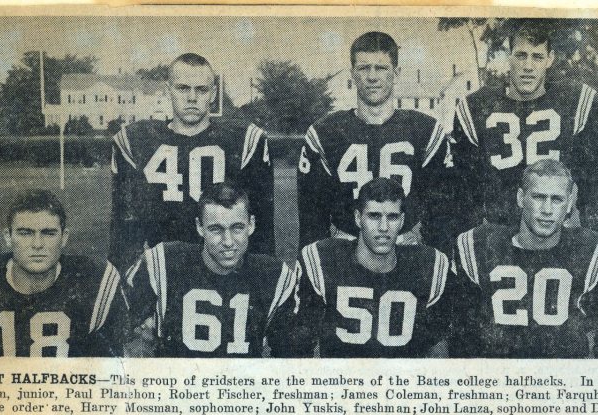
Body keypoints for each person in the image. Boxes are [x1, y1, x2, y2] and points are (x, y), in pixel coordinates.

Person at [449, 160, 598, 358]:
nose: (547, 209)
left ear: (569, 203)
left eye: (556, 199)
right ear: (521, 198)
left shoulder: (594, 250)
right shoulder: (477, 245)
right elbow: (455, 335)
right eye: (538, 197)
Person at [110, 52, 275, 274]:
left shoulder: (244, 140)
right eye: (183, 88)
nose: (192, 97)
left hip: (224, 273)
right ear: (168, 91)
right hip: (162, 271)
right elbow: (124, 233)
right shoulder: (137, 141)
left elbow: (261, 231)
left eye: (201, 89)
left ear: (213, 93)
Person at [297, 31, 452, 252]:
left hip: (406, 255)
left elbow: (443, 216)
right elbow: (311, 222)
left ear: (396, 73)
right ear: (352, 74)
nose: (372, 76)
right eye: (363, 68)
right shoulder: (325, 132)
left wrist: (422, 247)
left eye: (381, 68)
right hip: (345, 256)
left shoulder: (425, 131)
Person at [451, 22, 598, 236]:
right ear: (509, 56)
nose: (528, 66)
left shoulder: (576, 101)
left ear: (549, 59)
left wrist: (595, 239)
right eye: (521, 55)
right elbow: (464, 196)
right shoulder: (476, 107)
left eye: (537, 57)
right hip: (499, 236)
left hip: (555, 236)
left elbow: (593, 189)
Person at [271, 178, 451, 358]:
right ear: (358, 218)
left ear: (402, 220)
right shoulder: (325, 261)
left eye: (392, 217)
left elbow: (437, 344)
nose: (383, 227)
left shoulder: (427, 264)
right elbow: (297, 347)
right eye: (374, 216)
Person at [124, 182, 294, 357]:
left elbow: (291, 357)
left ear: (251, 225)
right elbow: (126, 329)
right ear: (199, 227)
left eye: (237, 228)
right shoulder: (164, 262)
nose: (228, 241)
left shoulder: (272, 275)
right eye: (216, 229)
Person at [0, 189, 124, 357]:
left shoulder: (94, 281)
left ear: (64, 238)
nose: (37, 244)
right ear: (8, 237)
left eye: (48, 233)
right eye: (25, 233)